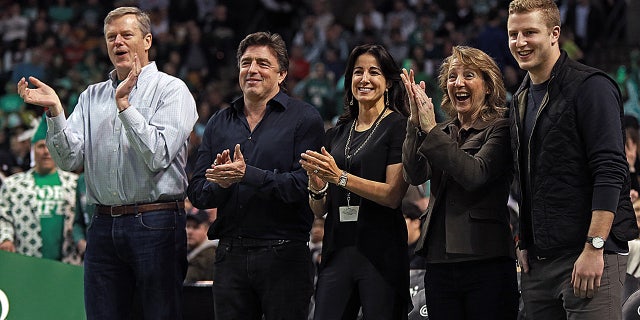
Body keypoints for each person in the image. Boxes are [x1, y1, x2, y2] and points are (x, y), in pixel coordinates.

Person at [17, 6, 198, 319]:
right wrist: (55, 112)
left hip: (156, 224)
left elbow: (157, 155)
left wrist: (125, 107)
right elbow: (69, 159)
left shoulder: (172, 90)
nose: (118, 42)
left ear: (147, 41)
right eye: (111, 37)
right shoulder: (90, 97)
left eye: (127, 35)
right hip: (101, 226)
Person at [507, 1, 639, 319]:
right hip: (539, 261)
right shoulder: (521, 97)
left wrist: (594, 246)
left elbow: (610, 170)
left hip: (590, 255)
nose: (520, 42)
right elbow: (528, 176)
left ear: (555, 34)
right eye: (513, 34)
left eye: (530, 32)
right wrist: (524, 239)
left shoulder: (592, 87)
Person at [187, 31, 324, 320]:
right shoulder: (219, 122)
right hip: (229, 257)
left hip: (285, 255)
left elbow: (303, 185)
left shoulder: (304, 119)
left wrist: (248, 175)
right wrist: (221, 184)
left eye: (263, 63)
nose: (252, 70)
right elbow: (198, 191)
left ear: (282, 73)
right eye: (246, 63)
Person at [402, 45, 519, 319]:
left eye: (469, 75)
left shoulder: (501, 127)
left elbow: (474, 175)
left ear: (488, 86)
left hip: (486, 259)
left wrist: (430, 130)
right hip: (439, 261)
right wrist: (414, 123)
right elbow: (414, 174)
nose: (459, 83)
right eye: (452, 77)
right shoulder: (440, 131)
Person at [300, 43, 410, 319]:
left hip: (381, 253)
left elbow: (392, 195)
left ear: (387, 83)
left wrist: (339, 177)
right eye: (358, 72)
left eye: (374, 72)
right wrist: (317, 185)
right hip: (338, 249)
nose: (364, 78)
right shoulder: (336, 133)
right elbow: (319, 210)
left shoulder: (399, 126)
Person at [0, 117, 80, 264]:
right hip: (26, 261)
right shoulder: (13, 185)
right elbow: (3, 218)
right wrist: (5, 239)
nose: (46, 152)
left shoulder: (74, 184)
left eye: (51, 147)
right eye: (41, 146)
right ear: (33, 150)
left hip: (69, 262)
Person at [184, 210, 216, 284]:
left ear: (207, 229)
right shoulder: (185, 251)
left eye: (195, 227)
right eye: (187, 226)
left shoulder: (211, 255)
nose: (189, 232)